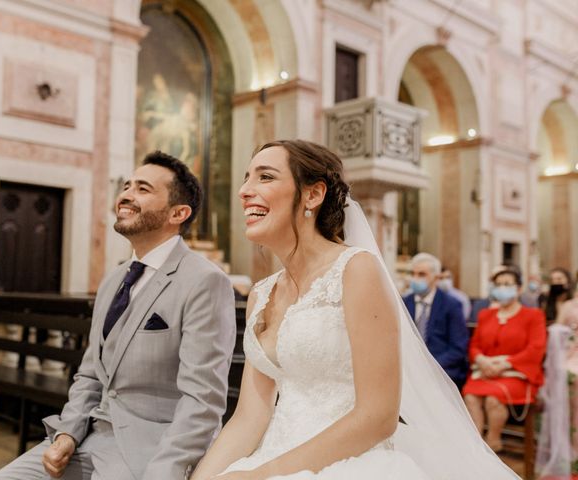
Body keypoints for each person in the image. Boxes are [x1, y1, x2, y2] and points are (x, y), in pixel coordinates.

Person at [192, 140, 518, 480]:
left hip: (348, 461)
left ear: (313, 195)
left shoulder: (356, 270)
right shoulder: (261, 294)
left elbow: (377, 416)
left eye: (265, 177)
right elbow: (249, 415)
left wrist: (263, 475)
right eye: (247, 178)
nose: (245, 190)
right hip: (273, 454)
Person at [0, 152, 236, 480]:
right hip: (88, 437)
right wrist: (67, 434)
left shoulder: (204, 281)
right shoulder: (114, 279)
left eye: (143, 189)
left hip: (149, 449)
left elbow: (202, 400)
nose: (126, 195)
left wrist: (165, 471)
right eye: (127, 186)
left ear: (178, 212)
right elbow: (91, 373)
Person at [462, 267, 547, 453]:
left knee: (494, 398)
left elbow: (536, 348)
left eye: (507, 284)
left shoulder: (533, 315)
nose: (502, 288)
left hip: (517, 373)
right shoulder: (486, 315)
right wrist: (482, 360)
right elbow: (474, 345)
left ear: (518, 289)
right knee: (470, 395)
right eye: (498, 284)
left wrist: (505, 364)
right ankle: (475, 446)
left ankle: (493, 442)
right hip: (486, 370)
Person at [402, 253, 469, 390]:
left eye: (422, 275)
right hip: (409, 368)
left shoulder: (451, 305)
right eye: (413, 274)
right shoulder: (404, 303)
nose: (415, 279)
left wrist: (430, 366)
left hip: (441, 368)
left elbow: (458, 348)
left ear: (436, 278)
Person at [536, 298, 578, 478]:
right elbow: (557, 331)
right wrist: (571, 333)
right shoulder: (569, 305)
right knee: (567, 376)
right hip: (572, 352)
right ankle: (569, 450)